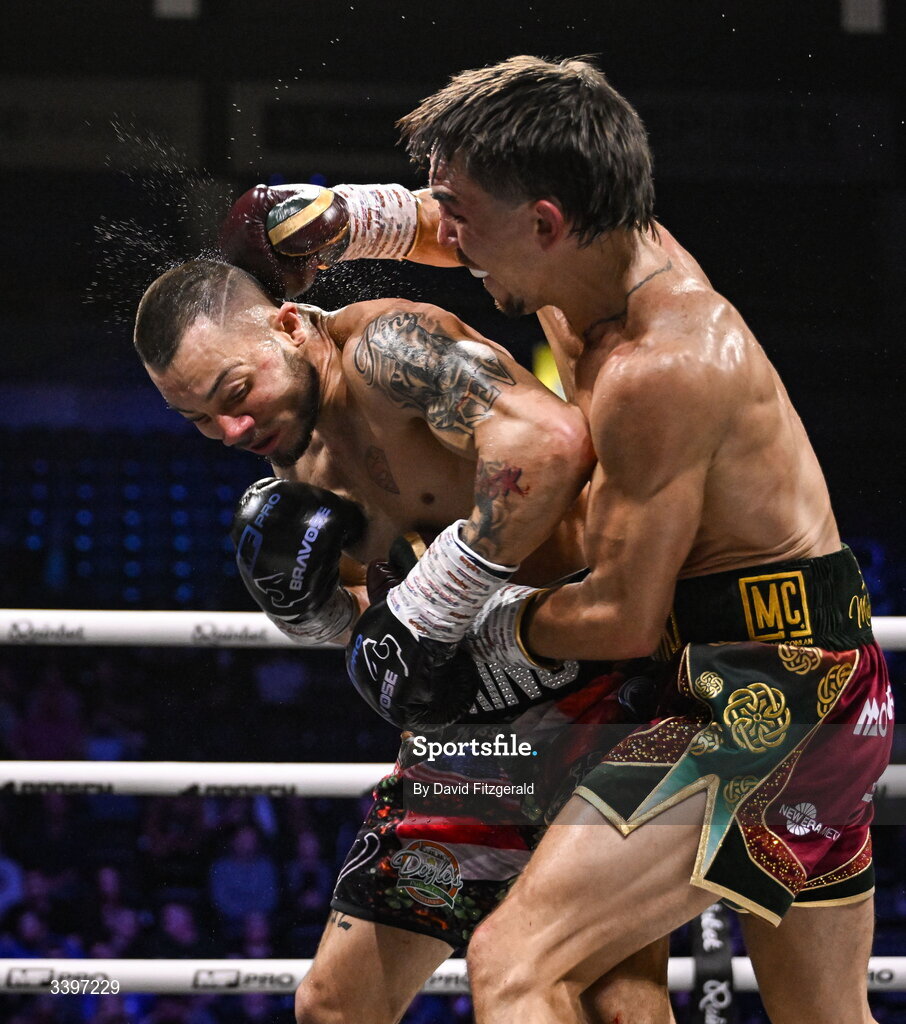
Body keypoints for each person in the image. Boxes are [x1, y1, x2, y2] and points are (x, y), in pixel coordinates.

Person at [221, 54, 893, 1024]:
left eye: (458, 208)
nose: (442, 230)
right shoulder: (588, 250)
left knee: (519, 962)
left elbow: (620, 613)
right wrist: (345, 216)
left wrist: (450, 626)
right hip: (795, 669)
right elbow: (449, 227)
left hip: (770, 689)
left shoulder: (661, 363)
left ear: (542, 222)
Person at [133, 259, 675, 1024]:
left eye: (232, 394)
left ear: (288, 325)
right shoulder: (294, 450)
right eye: (198, 419)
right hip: (470, 736)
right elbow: (388, 636)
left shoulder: (389, 351)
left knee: (616, 997)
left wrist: (435, 594)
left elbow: (551, 443)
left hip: (597, 690)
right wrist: (318, 615)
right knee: (334, 1007)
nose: (229, 432)